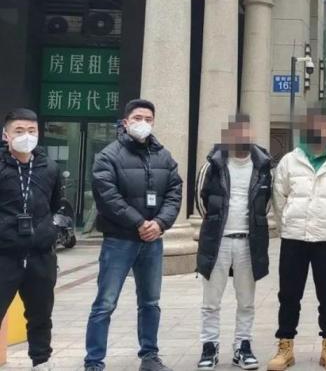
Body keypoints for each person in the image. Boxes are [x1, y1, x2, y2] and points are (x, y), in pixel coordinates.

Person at [84, 99, 183, 371]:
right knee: (105, 303)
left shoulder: (163, 156)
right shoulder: (108, 156)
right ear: (126, 122)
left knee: (150, 302)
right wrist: (138, 222)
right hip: (119, 240)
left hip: (152, 241)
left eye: (148, 119)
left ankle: (149, 356)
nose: (143, 123)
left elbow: (174, 193)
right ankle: (94, 361)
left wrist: (160, 223)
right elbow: (108, 197)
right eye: (138, 118)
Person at [267, 109, 326, 371]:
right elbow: (278, 197)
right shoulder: (289, 161)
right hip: (294, 237)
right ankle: (285, 347)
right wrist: (288, 223)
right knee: (288, 294)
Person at [196, 114, 272, 370]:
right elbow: (201, 200)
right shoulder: (213, 165)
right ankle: (209, 346)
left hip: (248, 242)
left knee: (246, 300)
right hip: (218, 241)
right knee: (211, 301)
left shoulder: (263, 167)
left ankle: (243, 346)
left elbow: (265, 205)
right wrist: (214, 225)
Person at [0, 108, 61, 370]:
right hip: (5, 254)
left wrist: (49, 230)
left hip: (40, 255)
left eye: (31, 131)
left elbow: (55, 203)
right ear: (6, 135)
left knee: (40, 313)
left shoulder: (50, 168)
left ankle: (41, 361)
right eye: (19, 131)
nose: (26, 136)